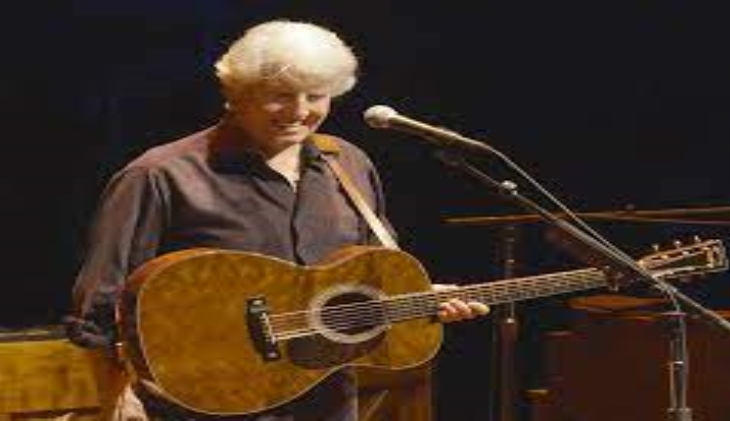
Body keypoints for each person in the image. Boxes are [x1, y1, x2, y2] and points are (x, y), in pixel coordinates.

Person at [65, 19, 489, 420]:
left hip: (325, 398)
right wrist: (115, 392)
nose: (299, 111)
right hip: (201, 401)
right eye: (281, 95)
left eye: (315, 96)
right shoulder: (160, 174)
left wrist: (419, 301)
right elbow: (101, 300)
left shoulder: (348, 163)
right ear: (236, 93)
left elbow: (371, 274)